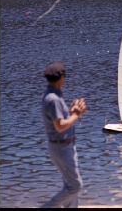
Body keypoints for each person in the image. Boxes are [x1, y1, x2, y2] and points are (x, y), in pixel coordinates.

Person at [41, 62, 87, 208]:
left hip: (65, 146)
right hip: (61, 147)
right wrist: (76, 114)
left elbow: (61, 119)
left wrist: (71, 111)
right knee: (75, 186)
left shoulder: (54, 95)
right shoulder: (53, 99)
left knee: (70, 187)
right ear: (61, 77)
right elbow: (59, 126)